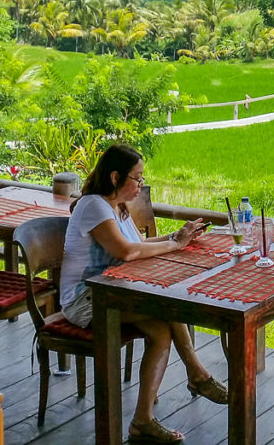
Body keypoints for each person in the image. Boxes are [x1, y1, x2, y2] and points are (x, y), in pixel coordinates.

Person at [60, 143, 227, 444]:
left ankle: (142, 421)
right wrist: (175, 246)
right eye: (136, 178)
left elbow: (139, 244)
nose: (140, 184)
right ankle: (197, 375)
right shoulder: (94, 206)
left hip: (114, 293)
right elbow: (126, 252)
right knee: (168, 308)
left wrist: (179, 236)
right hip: (86, 300)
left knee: (162, 331)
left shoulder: (117, 206)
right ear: (115, 177)